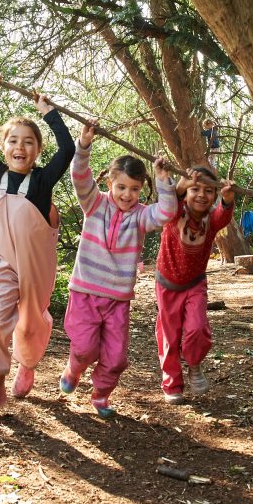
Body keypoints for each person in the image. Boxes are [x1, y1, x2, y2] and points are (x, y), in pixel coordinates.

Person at [0, 73, 75, 418]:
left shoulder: (42, 180)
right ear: (3, 147)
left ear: (38, 150)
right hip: (2, 264)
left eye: (29, 142)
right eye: (13, 140)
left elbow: (68, 148)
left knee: (29, 325)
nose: (20, 147)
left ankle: (27, 364)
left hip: (35, 270)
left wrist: (49, 113)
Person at [59, 122, 178, 418]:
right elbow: (79, 176)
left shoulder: (140, 216)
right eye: (122, 187)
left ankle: (100, 394)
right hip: (85, 291)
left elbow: (167, 212)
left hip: (117, 299)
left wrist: (164, 179)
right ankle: (74, 368)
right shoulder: (94, 204)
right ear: (110, 183)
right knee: (85, 349)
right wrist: (84, 146)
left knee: (116, 357)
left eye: (135, 189)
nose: (127, 194)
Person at [154, 167, 235, 404]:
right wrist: (179, 187)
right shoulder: (174, 213)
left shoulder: (211, 220)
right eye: (195, 189)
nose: (201, 195)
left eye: (209, 191)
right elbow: (170, 203)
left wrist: (228, 200)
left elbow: (223, 214)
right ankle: (172, 383)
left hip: (195, 284)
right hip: (167, 284)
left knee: (197, 328)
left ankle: (194, 362)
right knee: (169, 336)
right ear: (186, 192)